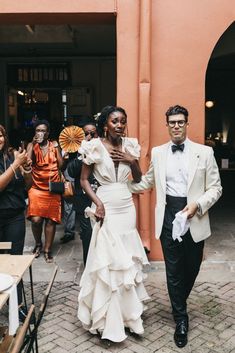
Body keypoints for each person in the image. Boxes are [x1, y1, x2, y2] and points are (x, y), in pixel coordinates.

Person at [129, 105, 222, 348]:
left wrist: (197, 206)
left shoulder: (205, 153)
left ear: (187, 124)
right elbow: (147, 182)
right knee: (173, 270)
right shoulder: (159, 153)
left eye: (181, 122)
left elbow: (216, 188)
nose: (177, 126)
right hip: (169, 216)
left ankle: (178, 301)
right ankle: (181, 318)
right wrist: (119, 187)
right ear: (167, 125)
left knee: (191, 268)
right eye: (172, 122)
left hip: (195, 216)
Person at [77, 106, 149, 343]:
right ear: (105, 125)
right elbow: (84, 179)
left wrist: (132, 160)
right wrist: (97, 202)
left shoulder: (130, 146)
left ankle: (129, 317)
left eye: (122, 121)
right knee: (109, 261)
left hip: (127, 207)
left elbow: (138, 178)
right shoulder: (94, 147)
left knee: (126, 260)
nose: (119, 125)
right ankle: (108, 320)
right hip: (106, 206)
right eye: (114, 121)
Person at [0, 124, 32, 319]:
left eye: (1, 135)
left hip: (15, 216)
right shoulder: (14, 160)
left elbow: (29, 185)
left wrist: (26, 169)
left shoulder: (13, 155)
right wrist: (15, 166)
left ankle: (17, 304)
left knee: (15, 261)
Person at [27, 119, 66, 263]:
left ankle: (47, 250)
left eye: (43, 131)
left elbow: (61, 165)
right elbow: (28, 163)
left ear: (48, 133)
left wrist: (57, 149)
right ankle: (38, 243)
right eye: (38, 130)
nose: (40, 133)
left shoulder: (54, 145)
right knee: (36, 220)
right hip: (36, 186)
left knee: (51, 220)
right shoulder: (32, 145)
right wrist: (32, 144)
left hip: (52, 186)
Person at [67, 120, 98, 264]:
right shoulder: (78, 151)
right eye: (86, 134)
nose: (89, 136)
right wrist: (82, 153)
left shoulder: (103, 148)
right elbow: (72, 172)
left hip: (101, 198)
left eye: (93, 133)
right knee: (87, 234)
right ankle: (88, 267)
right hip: (83, 200)